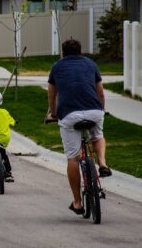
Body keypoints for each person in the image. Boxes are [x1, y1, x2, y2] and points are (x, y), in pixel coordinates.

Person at [46, 39, 112, 215]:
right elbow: (100, 92)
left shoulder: (57, 67)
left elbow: (52, 95)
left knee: (73, 158)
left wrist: (53, 113)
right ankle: (103, 163)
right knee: (97, 136)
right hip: (94, 111)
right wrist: (102, 109)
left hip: (69, 114)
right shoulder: (91, 64)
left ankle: (77, 202)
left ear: (63, 53)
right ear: (80, 52)